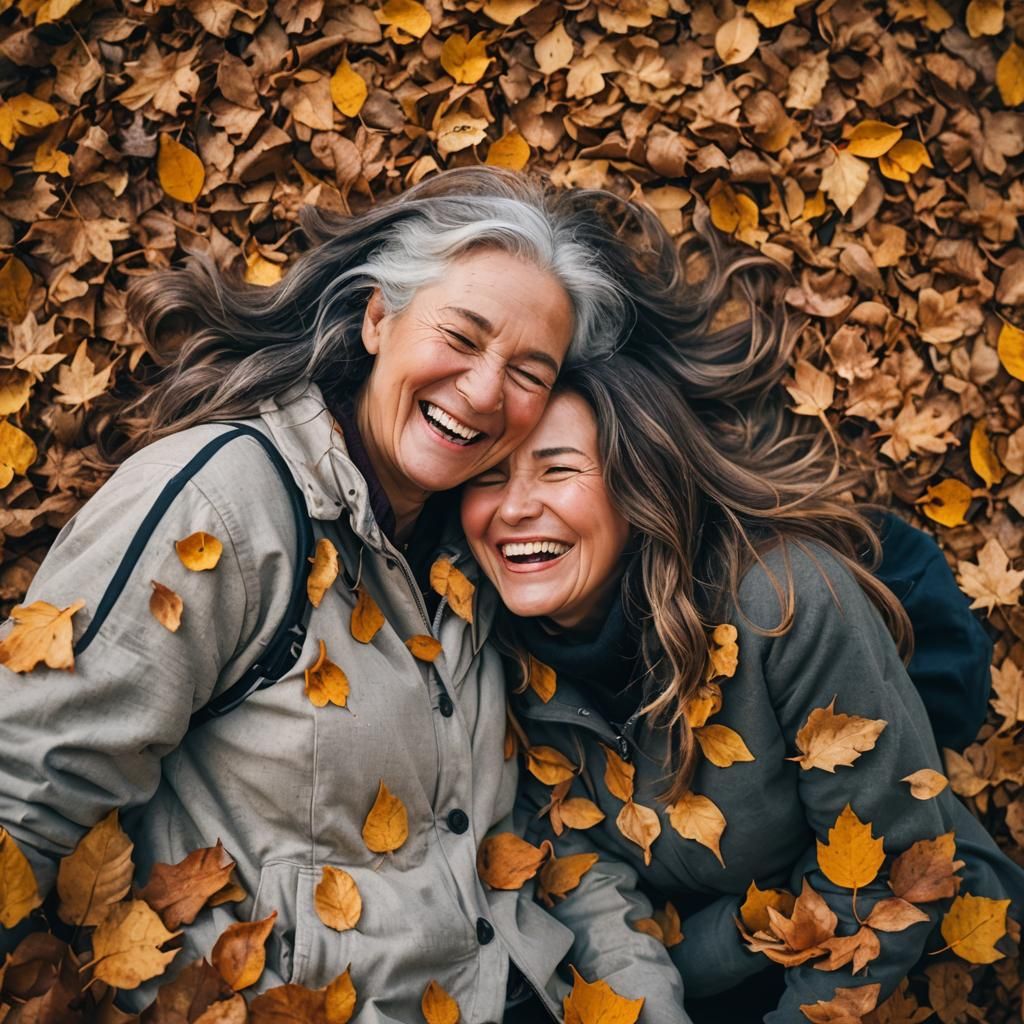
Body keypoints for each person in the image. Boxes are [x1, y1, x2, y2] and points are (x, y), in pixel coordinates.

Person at [0, 169, 688, 1020]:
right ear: (377, 318)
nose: (482, 391)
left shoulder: (473, 561)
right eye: (462, 337)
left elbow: (532, 847)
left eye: (528, 371)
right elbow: (23, 803)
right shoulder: (224, 503)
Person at [460, 357, 1024, 1023]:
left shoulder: (784, 604)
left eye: (558, 470)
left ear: (637, 485)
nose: (517, 506)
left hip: (896, 974)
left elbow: (886, 882)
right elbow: (585, 881)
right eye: (490, 476)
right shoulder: (494, 655)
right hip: (695, 977)